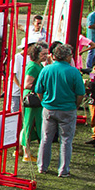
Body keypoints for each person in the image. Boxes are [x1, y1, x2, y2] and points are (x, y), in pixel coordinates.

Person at [34, 43, 84, 177]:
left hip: (49, 108)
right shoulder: (74, 71)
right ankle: (63, 170)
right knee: (66, 140)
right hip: (68, 109)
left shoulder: (46, 69)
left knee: (45, 138)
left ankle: (42, 166)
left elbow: (39, 90)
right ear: (68, 57)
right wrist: (76, 105)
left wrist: (44, 101)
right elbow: (80, 93)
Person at [19, 43, 48, 162]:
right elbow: (27, 84)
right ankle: (26, 153)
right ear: (36, 54)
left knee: (33, 125)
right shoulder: (33, 66)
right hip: (32, 100)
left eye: (47, 53)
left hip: (37, 99)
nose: (46, 56)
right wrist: (41, 86)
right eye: (43, 54)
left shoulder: (39, 65)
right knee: (28, 125)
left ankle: (23, 149)